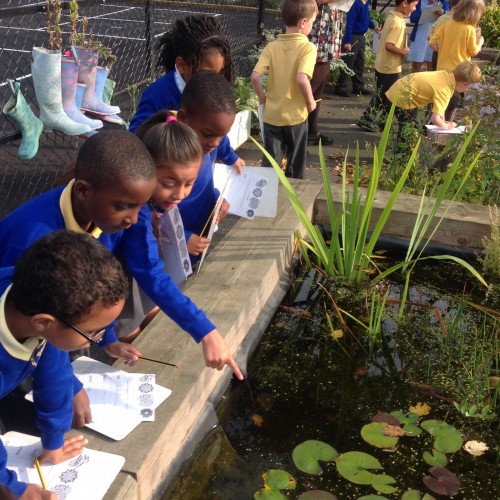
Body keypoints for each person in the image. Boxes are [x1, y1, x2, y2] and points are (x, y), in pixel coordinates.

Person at [0, 128, 244, 381]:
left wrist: (108, 339)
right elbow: (33, 321)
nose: (135, 219)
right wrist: (66, 388)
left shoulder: (116, 214)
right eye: (124, 207)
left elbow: (150, 274)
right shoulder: (31, 241)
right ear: (83, 191)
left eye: (142, 205)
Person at [0, 230, 129, 498]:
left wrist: (53, 440)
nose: (98, 340)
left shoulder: (34, 300)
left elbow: (54, 372)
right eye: (93, 333)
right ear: (44, 322)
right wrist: (13, 488)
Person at [128, 14, 244, 174]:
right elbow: (137, 136)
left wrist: (231, 157)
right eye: (206, 72)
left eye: (220, 73)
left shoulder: (210, 93)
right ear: (182, 65)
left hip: (202, 175)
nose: (214, 80)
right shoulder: (158, 94)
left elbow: (216, 132)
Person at [251, 0, 319, 179]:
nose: (312, 26)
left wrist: (262, 98)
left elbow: (255, 77)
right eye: (313, 21)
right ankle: (292, 198)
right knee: (296, 162)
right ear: (303, 23)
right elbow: (301, 78)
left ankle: (267, 198)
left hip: (272, 116)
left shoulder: (272, 47)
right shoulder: (307, 48)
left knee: (270, 165)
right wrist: (311, 102)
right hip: (296, 116)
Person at [357, 0, 419, 132]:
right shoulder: (397, 22)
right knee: (387, 95)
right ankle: (369, 118)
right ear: (405, 3)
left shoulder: (392, 17)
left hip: (383, 63)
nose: (414, 9)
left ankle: (382, 121)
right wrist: (404, 51)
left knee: (384, 94)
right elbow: (389, 45)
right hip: (390, 66)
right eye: (414, 5)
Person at [386, 61, 482, 137]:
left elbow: (440, 107)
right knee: (409, 131)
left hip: (399, 88)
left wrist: (443, 121)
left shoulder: (445, 76)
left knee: (410, 127)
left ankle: (404, 154)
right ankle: (404, 156)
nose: (468, 89)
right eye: (469, 86)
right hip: (402, 97)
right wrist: (447, 126)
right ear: (465, 84)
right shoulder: (445, 90)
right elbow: (435, 119)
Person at [428, 0, 484, 120]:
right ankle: (445, 130)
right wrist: (480, 42)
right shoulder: (468, 29)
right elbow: (473, 51)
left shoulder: (446, 24)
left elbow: (431, 43)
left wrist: (444, 48)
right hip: (458, 72)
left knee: (440, 102)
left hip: (441, 69)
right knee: (452, 104)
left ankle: (433, 128)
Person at [307, 0, 343, 145]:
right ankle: (298, 135)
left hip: (326, 29)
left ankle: (311, 131)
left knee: (319, 86)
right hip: (317, 29)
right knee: (311, 86)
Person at [334, 0, 380, 97]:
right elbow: (350, 23)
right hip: (353, 36)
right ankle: (341, 86)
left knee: (359, 63)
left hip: (361, 36)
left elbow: (366, 19)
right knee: (348, 63)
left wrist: (373, 26)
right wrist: (347, 41)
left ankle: (358, 86)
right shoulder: (355, 4)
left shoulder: (366, 3)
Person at [409, 0, 448, 73]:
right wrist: (426, 13)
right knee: (416, 65)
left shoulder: (443, 2)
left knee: (432, 66)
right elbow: (412, 18)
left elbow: (449, 16)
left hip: (435, 38)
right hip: (420, 36)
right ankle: (414, 83)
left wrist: (443, 12)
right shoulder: (419, 2)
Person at [427, 0, 460, 70]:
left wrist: (440, 48)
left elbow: (428, 36)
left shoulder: (441, 18)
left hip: (437, 55)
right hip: (455, 57)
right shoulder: (463, 21)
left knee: (436, 79)